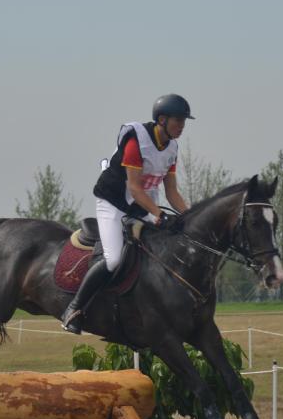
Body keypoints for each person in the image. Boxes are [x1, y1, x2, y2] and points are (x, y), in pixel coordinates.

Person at [62, 93, 193, 334]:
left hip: (141, 204)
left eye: (184, 122)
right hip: (113, 203)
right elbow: (134, 187)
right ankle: (74, 308)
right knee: (113, 259)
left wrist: (189, 216)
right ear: (162, 120)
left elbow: (172, 192)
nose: (182, 126)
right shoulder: (137, 140)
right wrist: (157, 214)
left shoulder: (172, 147)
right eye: (179, 121)